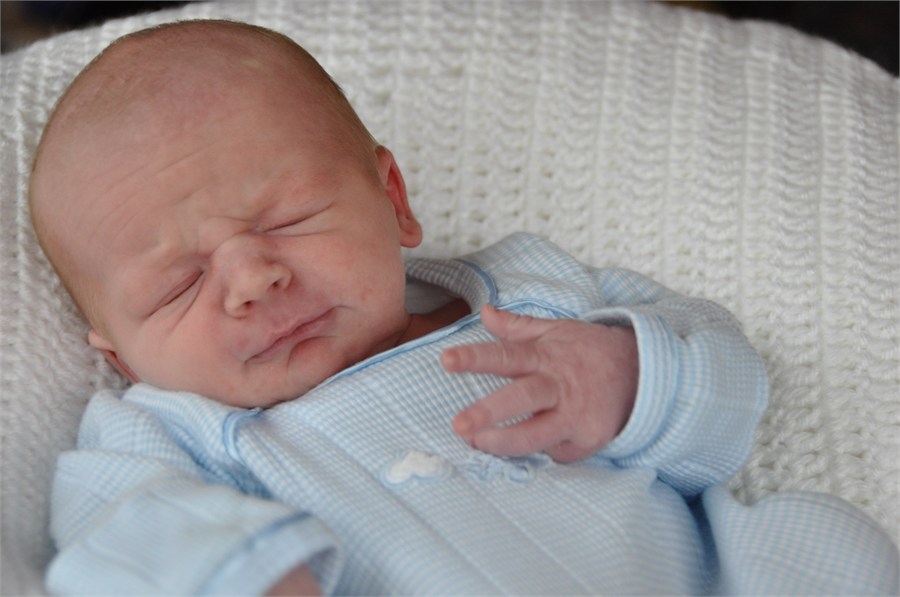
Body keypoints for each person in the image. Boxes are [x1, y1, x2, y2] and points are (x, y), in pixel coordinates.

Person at [29, 19, 898, 596]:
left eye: (285, 218)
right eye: (178, 285)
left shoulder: (527, 295)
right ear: (122, 356)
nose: (252, 279)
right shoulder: (174, 433)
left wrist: (629, 375)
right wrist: (243, 577)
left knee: (824, 544)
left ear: (392, 200)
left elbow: (728, 385)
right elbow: (116, 535)